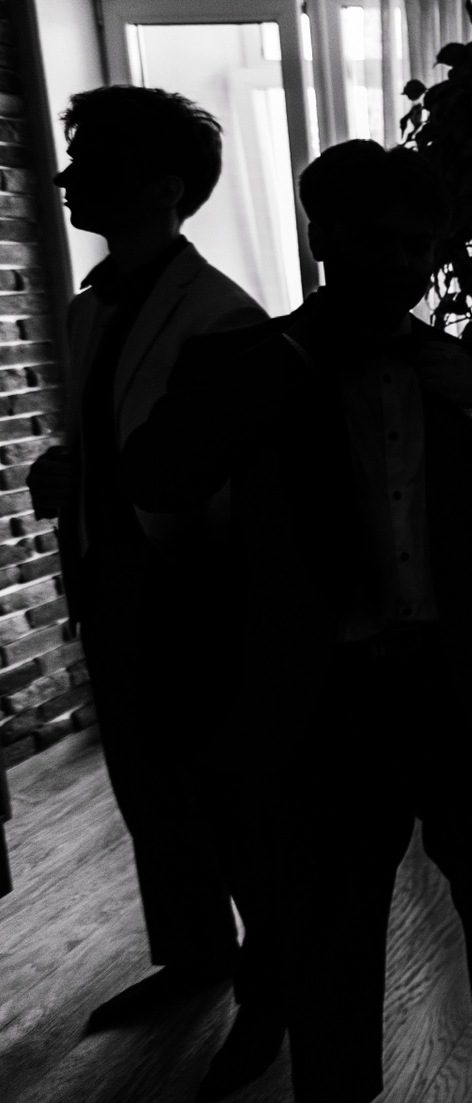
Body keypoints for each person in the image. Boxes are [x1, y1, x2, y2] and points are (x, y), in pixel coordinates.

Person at [121, 140, 472, 1103]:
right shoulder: (246, 359)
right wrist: (291, 360)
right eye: (373, 238)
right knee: (330, 912)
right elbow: (159, 475)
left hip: (459, 679)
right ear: (321, 237)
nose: (398, 262)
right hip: (324, 694)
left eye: (417, 244)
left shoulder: (467, 362)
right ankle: (336, 1085)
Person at [25, 86, 275, 1090]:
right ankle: (195, 953)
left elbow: (222, 474)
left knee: (226, 802)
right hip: (110, 580)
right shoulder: (91, 306)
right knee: (146, 786)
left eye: (92, 162)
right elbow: (113, 438)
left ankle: (270, 997)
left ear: (165, 188)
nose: (65, 176)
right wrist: (70, 472)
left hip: (190, 590)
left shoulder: (220, 315)